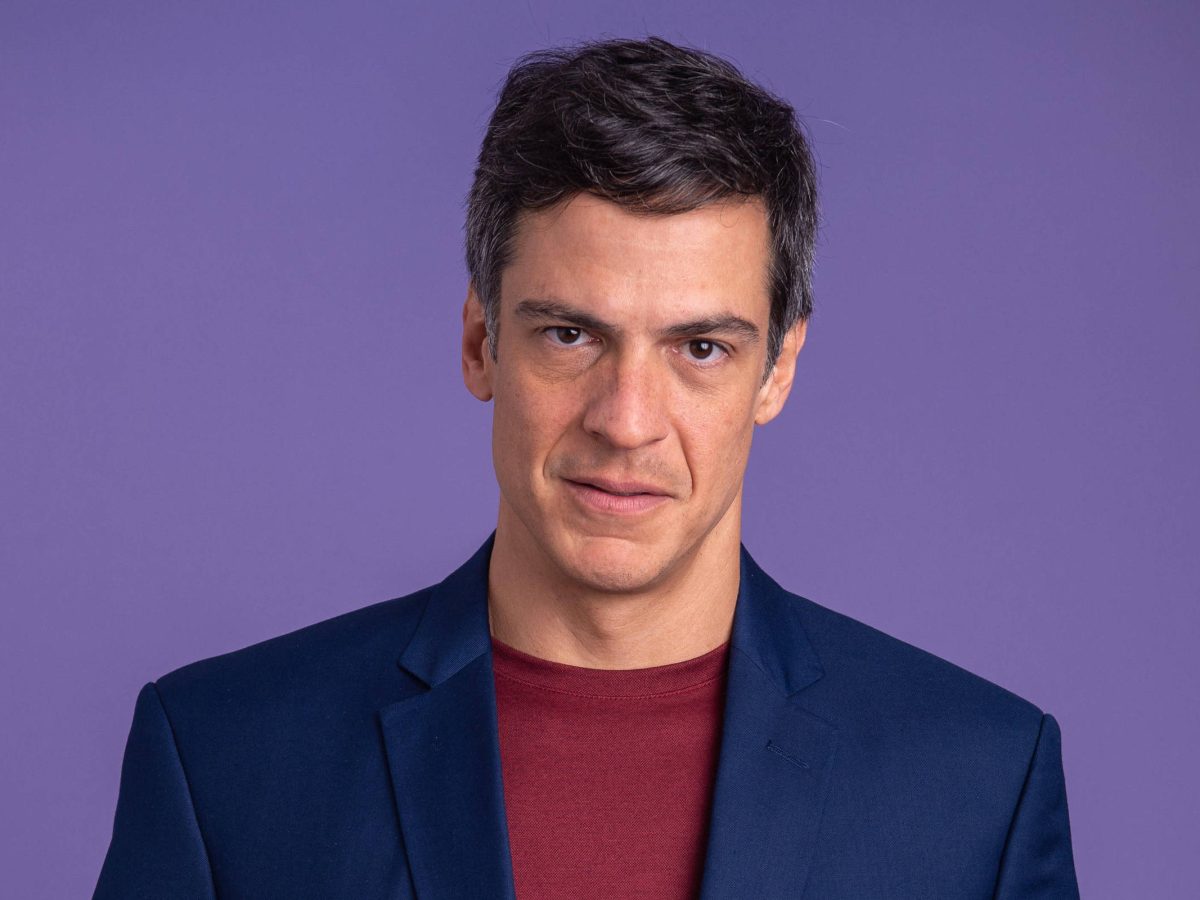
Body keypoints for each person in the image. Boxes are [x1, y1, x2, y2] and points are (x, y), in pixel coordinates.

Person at [94, 36, 1080, 899]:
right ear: (480, 342)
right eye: (571, 335)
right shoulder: (225, 759)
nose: (627, 421)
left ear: (777, 370)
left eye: (701, 348)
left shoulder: (978, 786)